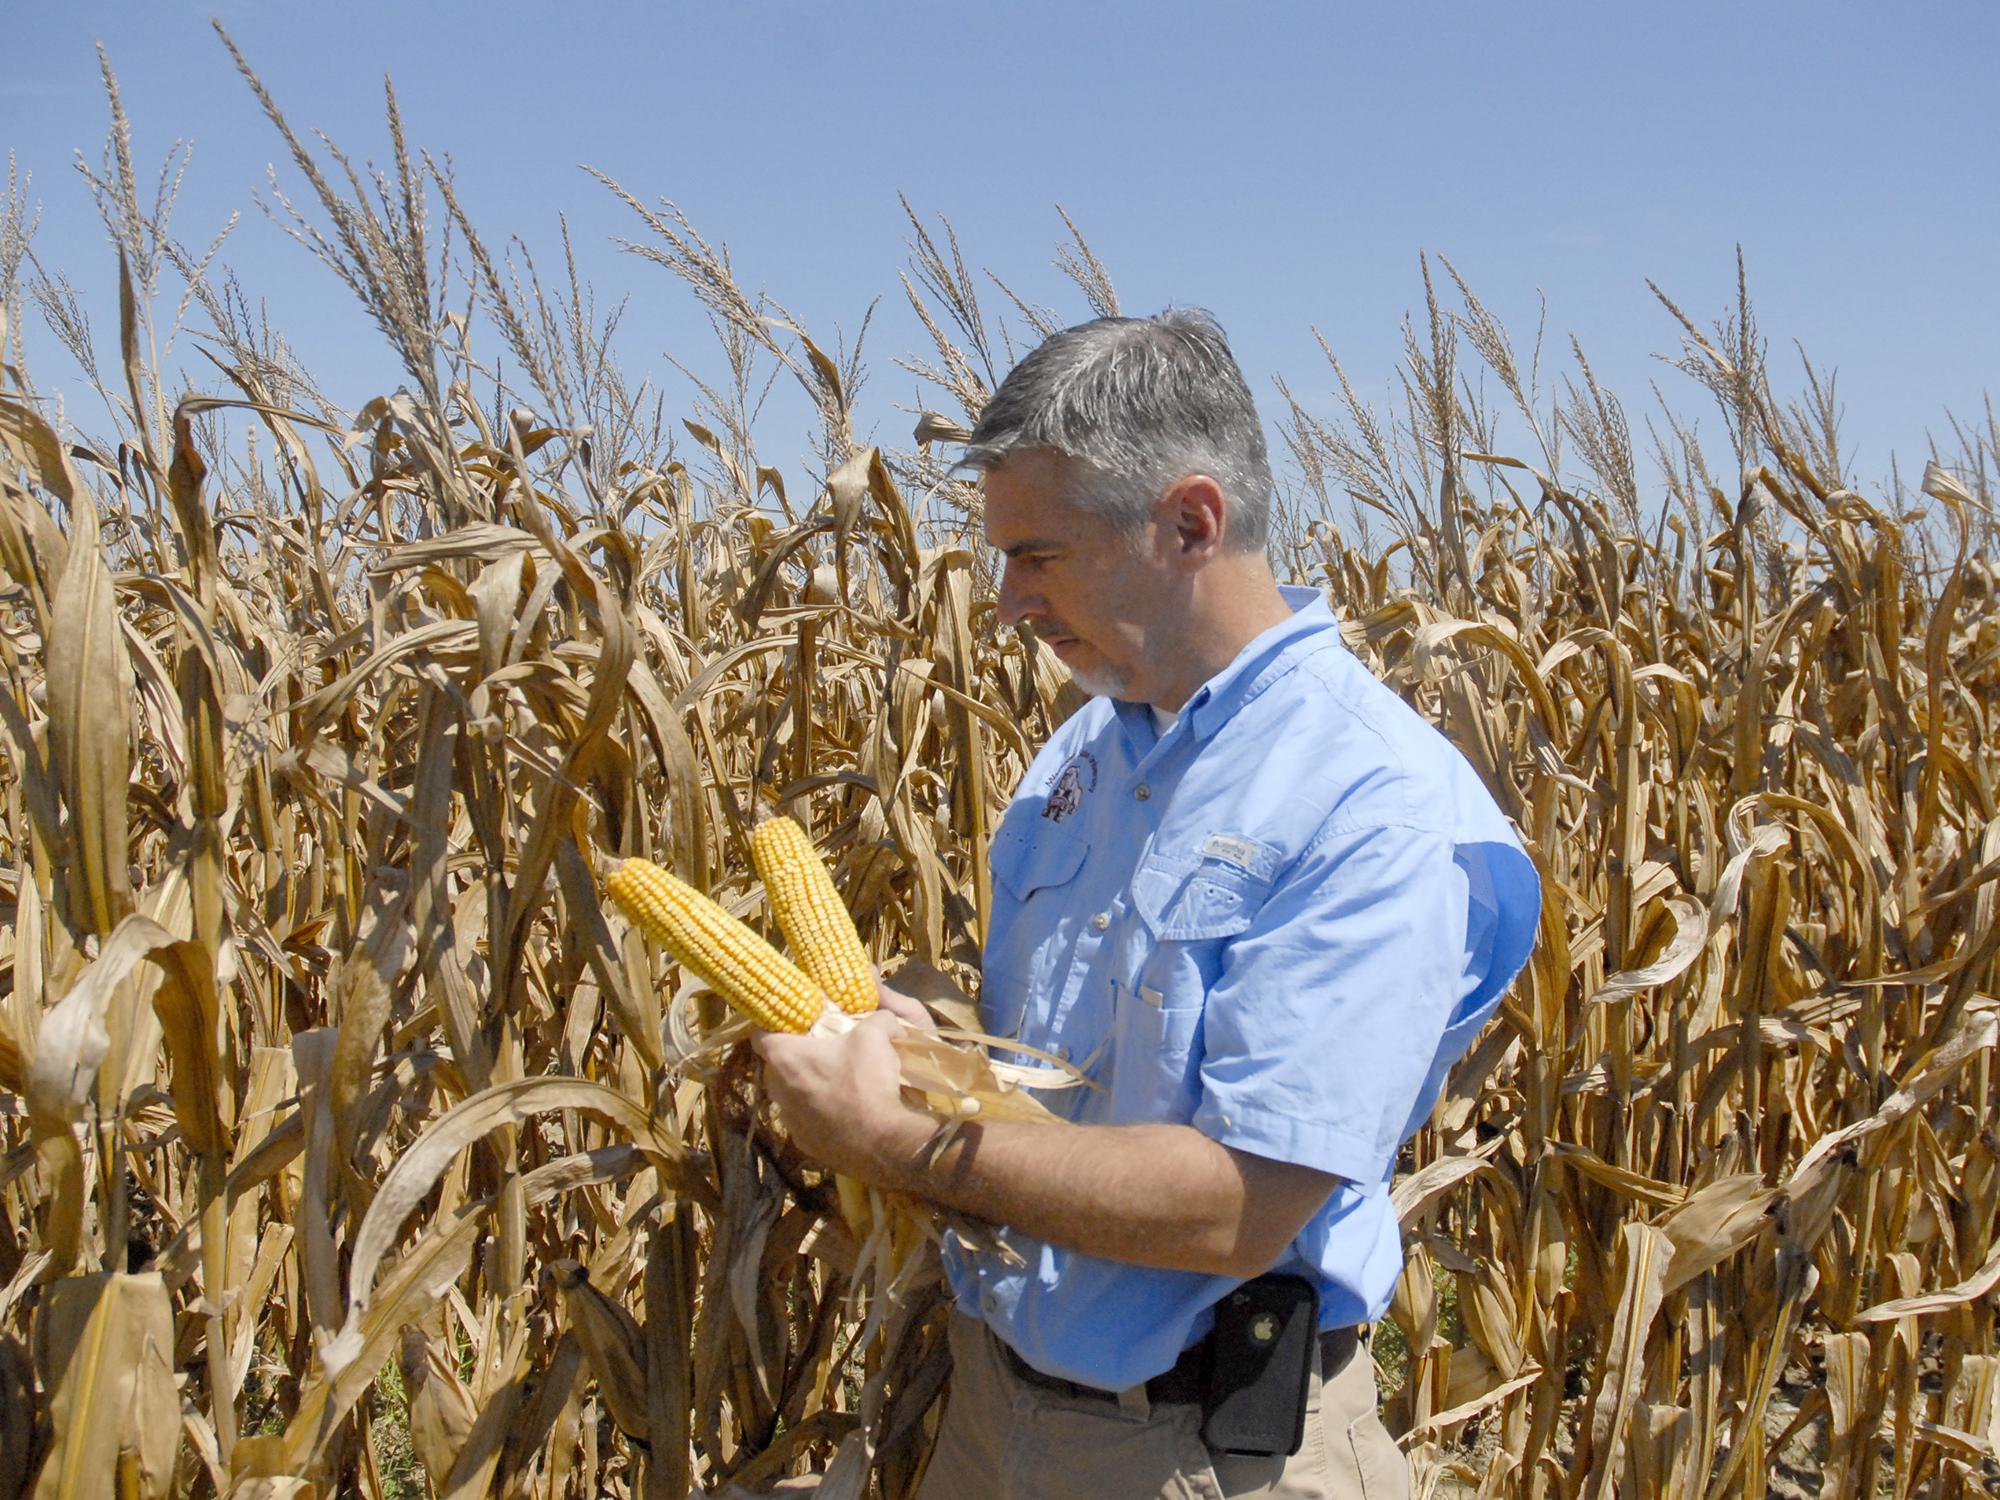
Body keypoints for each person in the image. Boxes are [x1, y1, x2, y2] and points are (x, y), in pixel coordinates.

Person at [756, 310, 1540, 1499]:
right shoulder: (1083, 755)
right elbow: (1073, 1082)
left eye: (1038, 554)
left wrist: (901, 1144)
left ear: (1188, 523)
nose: (1007, 603)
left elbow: (1236, 1206)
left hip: (1202, 1458)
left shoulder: (1370, 805)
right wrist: (930, 1055)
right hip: (993, 1411)